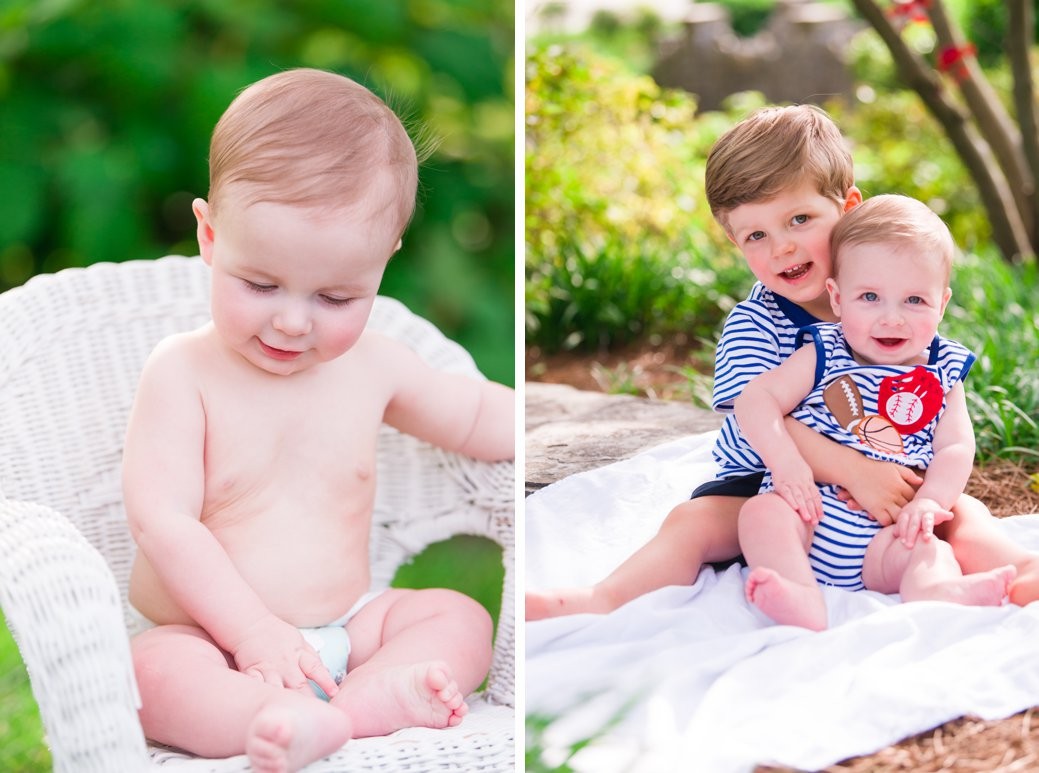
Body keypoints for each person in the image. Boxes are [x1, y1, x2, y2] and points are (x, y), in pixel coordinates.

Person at [123, 69, 514, 772]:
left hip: (347, 624)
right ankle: (275, 717)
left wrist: (539, 417)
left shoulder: (377, 365)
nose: (293, 321)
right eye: (260, 284)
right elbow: (163, 520)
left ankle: (357, 703)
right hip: (210, 639)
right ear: (210, 236)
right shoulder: (182, 372)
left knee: (458, 616)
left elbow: (478, 413)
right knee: (150, 675)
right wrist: (251, 632)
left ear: (381, 266)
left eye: (335, 296)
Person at [526, 104, 1039, 622]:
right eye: (756, 236)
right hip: (771, 482)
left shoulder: (889, 298)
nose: (783, 246)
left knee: (962, 515)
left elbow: (937, 414)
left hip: (886, 490)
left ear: (848, 207)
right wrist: (856, 471)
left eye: (799, 218)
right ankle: (603, 599)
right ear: (734, 242)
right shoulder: (759, 323)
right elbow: (758, 417)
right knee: (694, 523)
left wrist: (918, 491)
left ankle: (1020, 572)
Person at [735, 194, 1016, 630]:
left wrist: (928, 504)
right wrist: (786, 464)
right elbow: (755, 400)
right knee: (760, 515)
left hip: (888, 535)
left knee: (928, 548)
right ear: (838, 298)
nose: (892, 318)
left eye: (914, 301)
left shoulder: (943, 370)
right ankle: (799, 592)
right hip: (809, 514)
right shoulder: (825, 351)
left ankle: (936, 590)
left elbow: (956, 446)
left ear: (941, 304)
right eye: (870, 297)